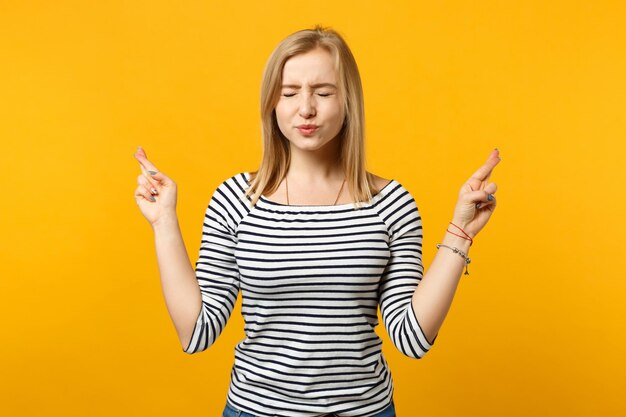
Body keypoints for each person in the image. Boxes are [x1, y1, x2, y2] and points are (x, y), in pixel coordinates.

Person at [133, 25, 500, 417]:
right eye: (289, 93)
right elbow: (196, 332)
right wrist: (163, 222)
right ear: (271, 103)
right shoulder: (237, 200)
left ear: (349, 102)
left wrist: (460, 234)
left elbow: (412, 338)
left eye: (323, 92)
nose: (305, 108)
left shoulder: (390, 203)